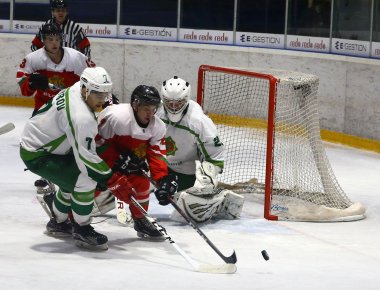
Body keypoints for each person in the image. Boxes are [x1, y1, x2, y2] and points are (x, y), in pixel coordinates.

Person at [19, 67, 134, 251]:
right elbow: (85, 159)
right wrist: (111, 179)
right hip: (38, 154)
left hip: (44, 143)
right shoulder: (81, 118)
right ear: (85, 90)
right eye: (97, 94)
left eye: (105, 94)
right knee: (86, 180)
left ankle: (58, 222)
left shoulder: (75, 88)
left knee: (67, 183)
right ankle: (82, 227)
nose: (102, 99)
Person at [156, 76, 245, 223]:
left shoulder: (199, 121)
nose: (173, 107)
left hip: (185, 171)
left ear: (186, 99)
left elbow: (215, 154)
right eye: (168, 103)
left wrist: (207, 178)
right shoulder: (156, 112)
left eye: (178, 103)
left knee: (187, 211)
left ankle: (217, 201)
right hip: (159, 165)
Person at [96, 85, 178, 239]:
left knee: (141, 181)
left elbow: (156, 155)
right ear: (135, 105)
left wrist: (162, 179)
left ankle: (140, 220)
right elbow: (97, 141)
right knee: (93, 184)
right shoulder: (117, 117)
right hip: (103, 162)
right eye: (146, 108)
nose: (150, 113)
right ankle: (69, 217)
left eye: (153, 108)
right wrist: (114, 160)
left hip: (130, 163)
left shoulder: (158, 127)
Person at [17, 22, 94, 114]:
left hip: (70, 109)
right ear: (43, 40)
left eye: (57, 39)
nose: (54, 43)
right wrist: (31, 84)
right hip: (43, 109)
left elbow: (95, 76)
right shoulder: (33, 59)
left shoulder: (75, 57)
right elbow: (23, 85)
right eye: (50, 39)